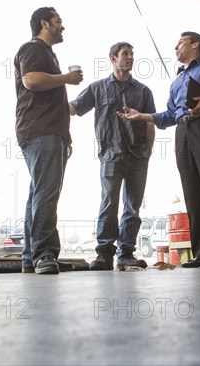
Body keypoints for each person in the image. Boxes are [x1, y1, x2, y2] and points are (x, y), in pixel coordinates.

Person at [120, 32, 200, 268]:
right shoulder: (176, 83)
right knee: (192, 193)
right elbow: (170, 115)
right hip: (182, 132)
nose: (175, 47)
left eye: (180, 42)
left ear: (196, 44)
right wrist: (141, 116)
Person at [69, 42, 156, 270]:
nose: (130, 58)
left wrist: (149, 148)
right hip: (110, 155)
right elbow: (74, 108)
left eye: (132, 54)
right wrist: (53, 97)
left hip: (138, 156)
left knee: (132, 207)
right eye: (125, 54)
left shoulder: (143, 91)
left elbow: (150, 121)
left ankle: (126, 253)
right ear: (113, 58)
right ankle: (104, 254)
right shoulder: (97, 89)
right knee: (109, 203)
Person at [14, 7, 83, 274]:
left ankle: (31, 257)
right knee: (46, 192)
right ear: (44, 23)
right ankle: (44, 254)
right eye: (58, 21)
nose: (62, 26)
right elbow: (30, 80)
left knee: (39, 193)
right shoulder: (33, 49)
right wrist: (66, 78)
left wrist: (65, 136)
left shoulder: (47, 54)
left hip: (49, 132)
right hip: (40, 131)